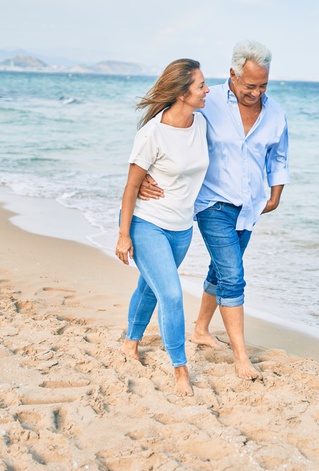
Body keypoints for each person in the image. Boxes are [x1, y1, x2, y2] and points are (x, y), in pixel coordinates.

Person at [139, 40, 290, 380]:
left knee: (220, 271)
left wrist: (276, 192)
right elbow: (168, 129)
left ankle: (201, 330)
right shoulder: (208, 103)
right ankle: (241, 358)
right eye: (250, 85)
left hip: (249, 207)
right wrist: (146, 171)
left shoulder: (276, 113)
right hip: (212, 203)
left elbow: (279, 156)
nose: (256, 92)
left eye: (263, 85)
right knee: (233, 277)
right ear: (233, 75)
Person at [116, 58, 210, 396]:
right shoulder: (152, 133)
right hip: (147, 224)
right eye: (201, 85)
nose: (206, 90)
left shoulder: (201, 124)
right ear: (183, 92)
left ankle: (131, 342)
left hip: (182, 228)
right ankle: (180, 369)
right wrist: (124, 235)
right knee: (170, 293)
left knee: (150, 286)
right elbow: (131, 186)